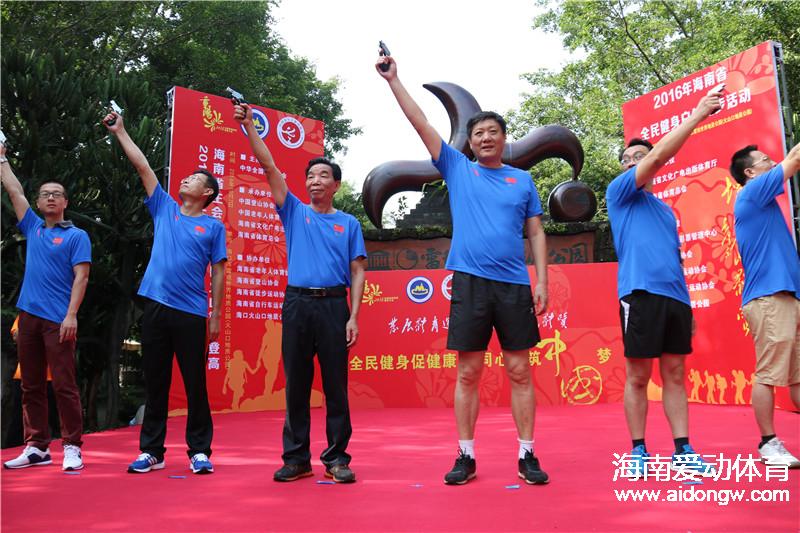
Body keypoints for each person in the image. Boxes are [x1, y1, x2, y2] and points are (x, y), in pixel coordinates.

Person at [376, 52, 550, 486]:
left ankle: (527, 454)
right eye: (478, 133)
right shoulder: (457, 169)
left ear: (503, 139)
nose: (485, 138)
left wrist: (541, 280)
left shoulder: (522, 181)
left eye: (493, 132)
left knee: (519, 370)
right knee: (469, 371)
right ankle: (466, 454)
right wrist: (395, 80)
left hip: (513, 285)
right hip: (471, 283)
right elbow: (421, 123)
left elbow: (537, 234)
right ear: (469, 142)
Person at [233, 102, 366, 484]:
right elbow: (270, 167)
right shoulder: (293, 210)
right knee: (296, 384)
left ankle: (337, 457)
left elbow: (358, 271)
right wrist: (249, 128)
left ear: (336, 184)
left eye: (324, 175)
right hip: (296, 304)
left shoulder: (348, 223)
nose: (315, 181)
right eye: (311, 176)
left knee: (336, 387)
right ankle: (296, 458)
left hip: (333, 307)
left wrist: (354, 315)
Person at [606, 88, 723, 477]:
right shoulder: (620, 193)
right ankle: (638, 449)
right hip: (639, 295)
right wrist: (699, 113)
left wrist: (687, 304)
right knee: (639, 374)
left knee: (674, 373)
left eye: (641, 156)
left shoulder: (665, 211)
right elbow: (659, 155)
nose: (637, 162)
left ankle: (682, 448)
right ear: (625, 168)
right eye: (630, 159)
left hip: (674, 298)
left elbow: (674, 260)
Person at [104, 110, 226, 475]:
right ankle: (152, 451)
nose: (185, 180)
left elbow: (219, 271)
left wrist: (215, 314)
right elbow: (143, 168)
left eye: (194, 179)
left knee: (194, 384)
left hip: (191, 313)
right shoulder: (164, 210)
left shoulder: (212, 226)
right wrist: (121, 131)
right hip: (156, 307)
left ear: (206, 194)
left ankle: (199, 451)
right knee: (155, 381)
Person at [1, 141, 90, 471]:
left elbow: (81, 278)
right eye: (44, 194)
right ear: (38, 203)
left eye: (57, 194)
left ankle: (71, 446)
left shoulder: (77, 236)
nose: (50, 197)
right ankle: (37, 445)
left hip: (58, 320)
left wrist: (71, 315)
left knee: (65, 385)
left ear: (65, 202)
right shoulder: (33, 227)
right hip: (28, 318)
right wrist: (2, 158)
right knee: (31, 384)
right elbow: (14, 191)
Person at [729, 142, 800, 468]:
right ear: (750, 172)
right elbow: (796, 157)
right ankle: (768, 443)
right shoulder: (752, 192)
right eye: (765, 160)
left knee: (798, 378)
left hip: (787, 296)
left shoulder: (765, 201)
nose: (773, 163)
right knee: (769, 375)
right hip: (768, 299)